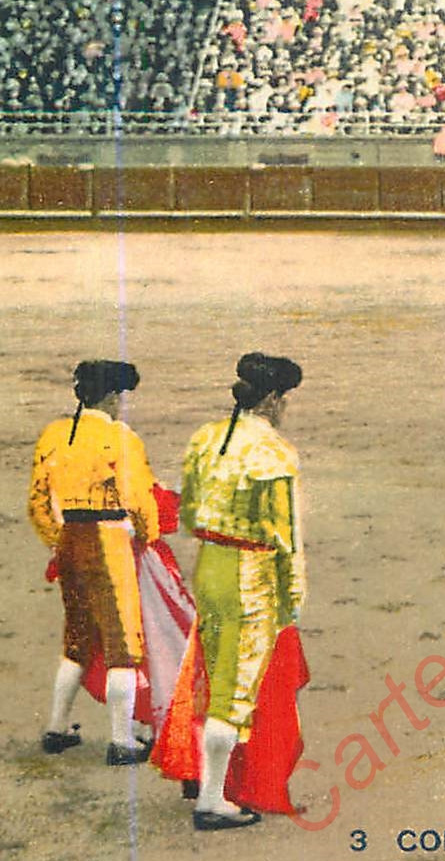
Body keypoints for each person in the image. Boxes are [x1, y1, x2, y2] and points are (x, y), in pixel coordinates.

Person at [172, 352, 307, 830]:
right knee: (235, 690)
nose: (285, 407)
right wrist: (292, 595)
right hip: (251, 573)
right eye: (284, 398)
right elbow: (284, 536)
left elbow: (188, 513)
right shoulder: (274, 452)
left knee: (213, 676)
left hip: (209, 566)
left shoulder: (206, 438)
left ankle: (211, 783)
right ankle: (213, 800)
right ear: (271, 399)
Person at [28, 359, 159, 765]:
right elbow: (139, 501)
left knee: (77, 638)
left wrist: (59, 539)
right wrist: (148, 534)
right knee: (123, 643)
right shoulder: (120, 438)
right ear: (111, 396)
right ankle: (122, 741)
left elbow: (36, 502)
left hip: (69, 540)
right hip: (108, 541)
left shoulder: (53, 434)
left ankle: (57, 726)